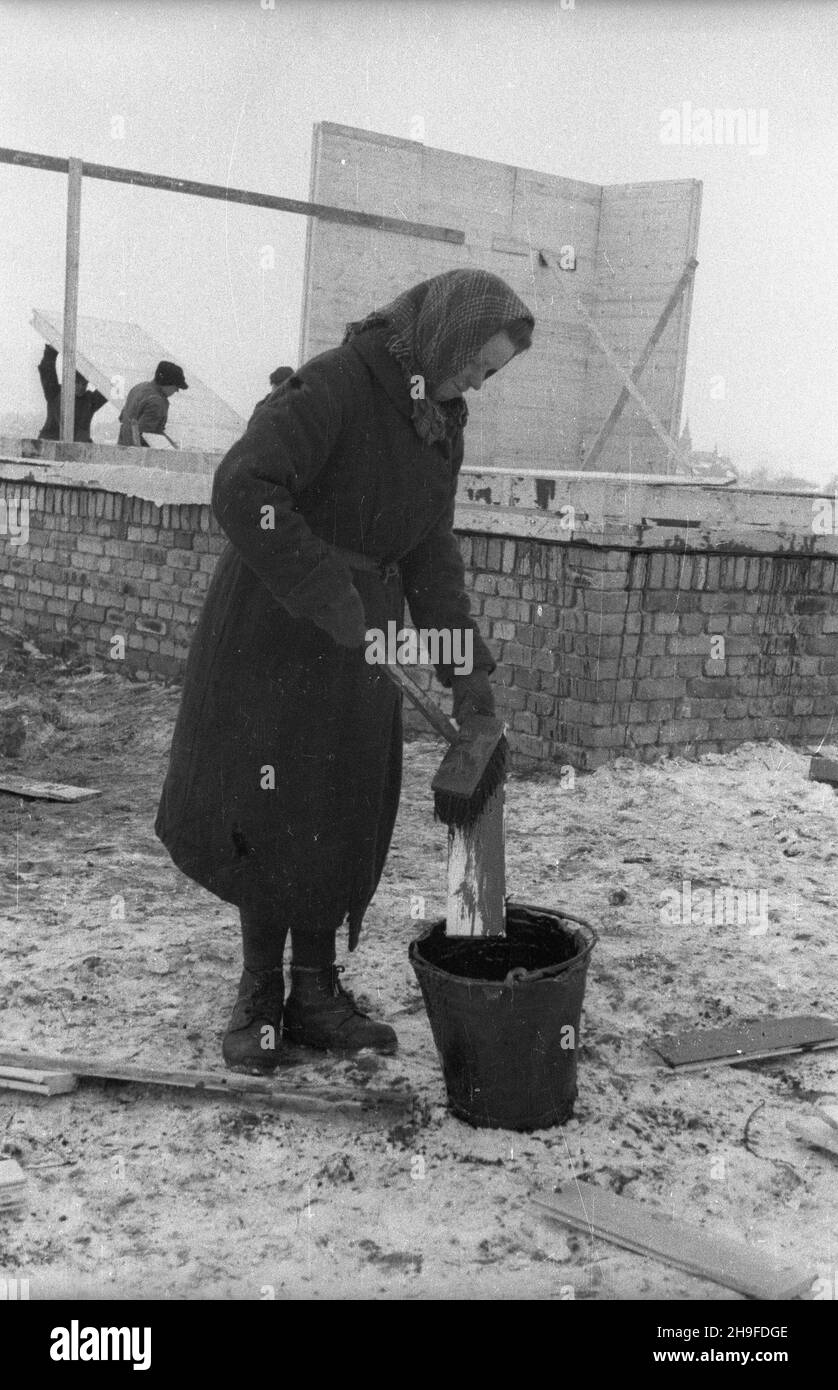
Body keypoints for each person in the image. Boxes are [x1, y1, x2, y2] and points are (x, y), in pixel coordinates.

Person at [154, 268, 534, 1072]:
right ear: (446, 336)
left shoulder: (440, 419)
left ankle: (318, 993)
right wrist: (329, 595)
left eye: (490, 375)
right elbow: (244, 485)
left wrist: (466, 675)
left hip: (368, 639)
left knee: (341, 802)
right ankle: (260, 994)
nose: (477, 383)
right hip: (278, 624)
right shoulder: (338, 382)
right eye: (476, 363)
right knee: (272, 800)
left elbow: (430, 553)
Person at [37, 344, 107, 443]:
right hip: (52, 445)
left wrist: (118, 373)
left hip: (78, 449)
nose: (81, 387)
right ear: (69, 381)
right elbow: (47, 370)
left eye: (84, 383)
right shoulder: (55, 393)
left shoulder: (90, 400)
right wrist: (51, 351)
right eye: (77, 382)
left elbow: (112, 390)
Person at [117, 360, 188, 446]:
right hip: (138, 455)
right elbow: (146, 435)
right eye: (176, 388)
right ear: (167, 383)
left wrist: (169, 442)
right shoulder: (157, 402)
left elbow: (122, 417)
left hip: (122, 447)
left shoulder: (139, 387)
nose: (176, 391)